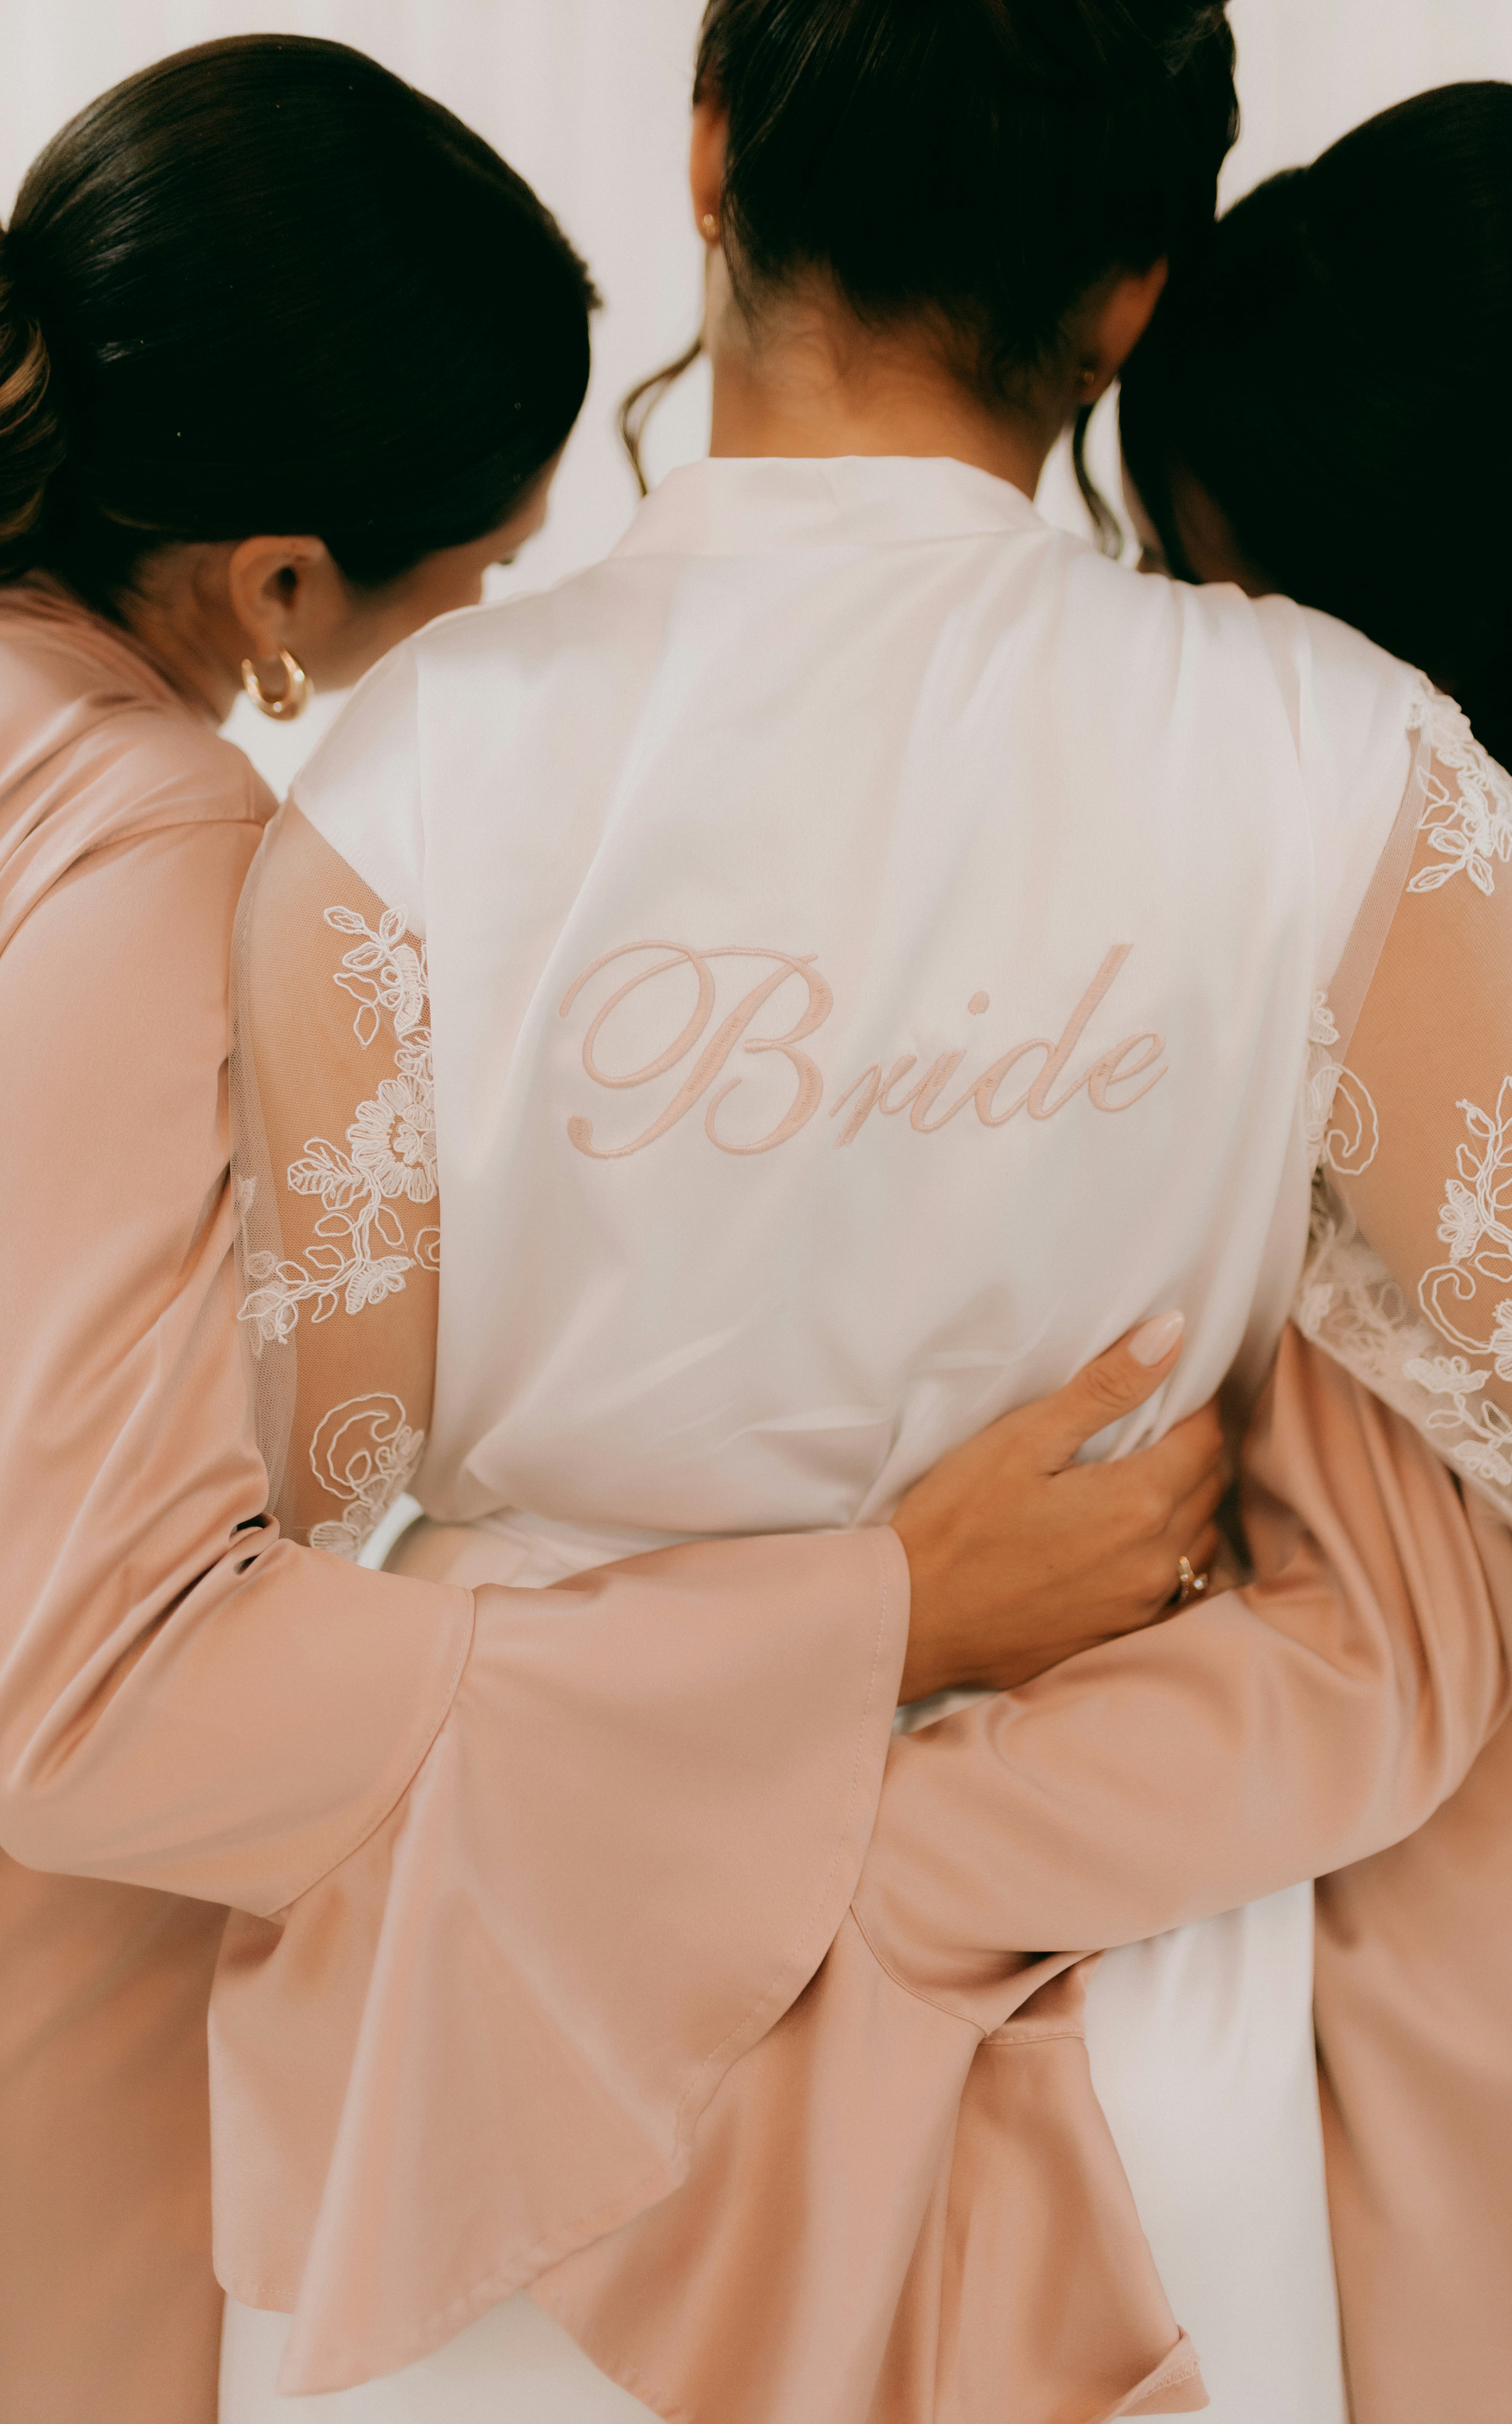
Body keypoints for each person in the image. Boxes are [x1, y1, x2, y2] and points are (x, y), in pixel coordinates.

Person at [224, 5, 1512, 2419]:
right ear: (1137, 294)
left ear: (708, 155)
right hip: (1117, 2070)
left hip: (500, 2057)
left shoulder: (400, 782)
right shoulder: (1334, 762)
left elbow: (268, 1567)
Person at [0, 35, 1225, 2424]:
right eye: (478, 582)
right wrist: (875, 1612)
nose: (493, 630)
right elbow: (97, 1698)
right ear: (282, 587)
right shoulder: (150, 852)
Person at [1117, 79, 1512, 2422]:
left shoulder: (1386, 973)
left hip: (1489, 1932)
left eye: (1196, 572)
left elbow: (1341, 1641)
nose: (1167, 633)